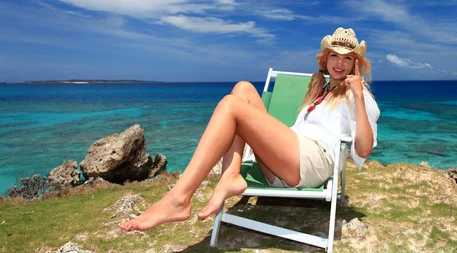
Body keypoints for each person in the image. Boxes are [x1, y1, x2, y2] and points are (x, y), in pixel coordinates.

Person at [120, 27, 380, 232]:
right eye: (334, 55)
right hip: (290, 154)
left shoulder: (359, 96)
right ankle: (231, 175)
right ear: (326, 58)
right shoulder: (321, 90)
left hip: (312, 161)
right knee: (243, 88)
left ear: (356, 64)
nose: (339, 63)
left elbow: (364, 149)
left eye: (347, 58)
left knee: (231, 107)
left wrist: (357, 95)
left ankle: (178, 199)